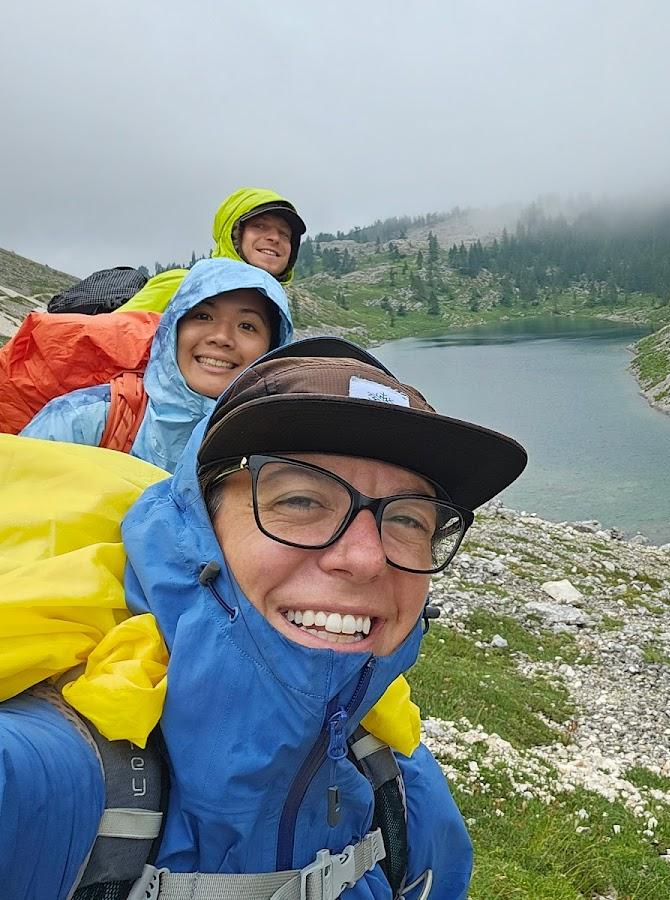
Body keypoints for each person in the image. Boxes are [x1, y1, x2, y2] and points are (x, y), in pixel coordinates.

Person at [0, 337, 528, 899]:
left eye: (408, 520)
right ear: (196, 530)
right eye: (300, 501)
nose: (366, 558)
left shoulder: (401, 784)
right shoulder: (46, 783)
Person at [21, 257, 294, 471]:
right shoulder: (85, 418)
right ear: (172, 328)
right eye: (202, 316)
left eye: (247, 326)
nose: (222, 337)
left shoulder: (278, 451)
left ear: (272, 349)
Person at [117, 187, 307, 314]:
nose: (275, 238)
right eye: (259, 226)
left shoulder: (275, 307)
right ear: (233, 233)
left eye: (284, 234)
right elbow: (106, 339)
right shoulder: (182, 284)